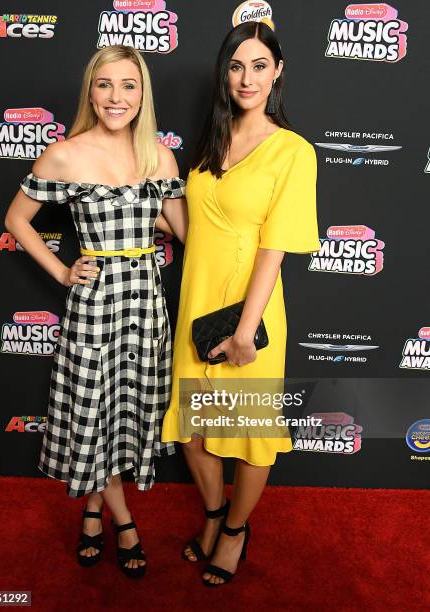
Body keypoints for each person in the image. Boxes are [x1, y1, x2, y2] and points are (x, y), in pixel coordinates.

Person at [4, 45, 187, 578]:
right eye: (105, 84)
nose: (116, 97)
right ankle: (124, 521)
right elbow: (17, 219)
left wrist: (141, 221)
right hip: (95, 306)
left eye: (128, 85)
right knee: (93, 415)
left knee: (128, 416)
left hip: (146, 307)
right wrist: (63, 272)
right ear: (90, 90)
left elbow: (183, 231)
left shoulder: (160, 156)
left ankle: (91, 509)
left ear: (142, 93)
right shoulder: (64, 154)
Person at [161, 22, 321, 586]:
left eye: (258, 65)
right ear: (223, 74)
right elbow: (192, 228)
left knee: (251, 436)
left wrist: (246, 332)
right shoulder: (210, 143)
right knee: (194, 431)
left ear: (278, 70)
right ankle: (211, 516)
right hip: (195, 302)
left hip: (247, 313)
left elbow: (274, 250)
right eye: (236, 66)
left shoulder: (293, 151)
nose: (246, 77)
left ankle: (234, 531)